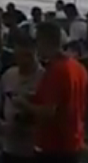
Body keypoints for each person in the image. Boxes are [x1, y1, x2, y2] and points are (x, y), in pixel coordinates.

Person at [16, 22, 87, 163]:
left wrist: (23, 104)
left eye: (38, 42)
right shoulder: (79, 68)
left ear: (44, 41)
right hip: (74, 141)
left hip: (54, 145)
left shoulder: (56, 70)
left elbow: (48, 112)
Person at [0, 34, 43, 163]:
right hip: (10, 147)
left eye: (28, 56)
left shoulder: (45, 78)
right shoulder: (9, 75)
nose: (24, 61)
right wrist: (1, 124)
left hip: (34, 149)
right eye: (19, 56)